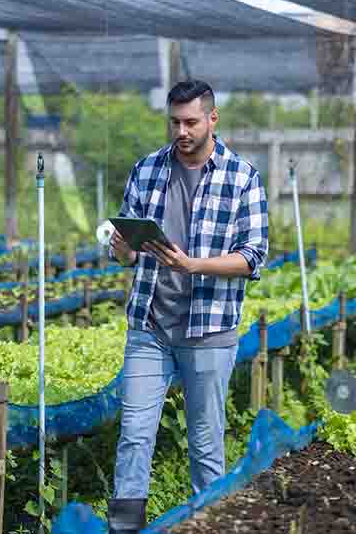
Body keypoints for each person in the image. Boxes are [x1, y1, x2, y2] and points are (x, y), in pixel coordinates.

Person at [106, 80, 269, 533]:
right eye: (175, 122)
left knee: (205, 443)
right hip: (150, 325)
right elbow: (127, 252)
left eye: (191, 122)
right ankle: (125, 528)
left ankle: (209, 524)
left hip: (209, 330)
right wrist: (122, 249)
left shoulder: (242, 177)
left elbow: (253, 257)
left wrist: (192, 264)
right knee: (134, 435)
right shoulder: (146, 170)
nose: (181, 131)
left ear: (212, 119)